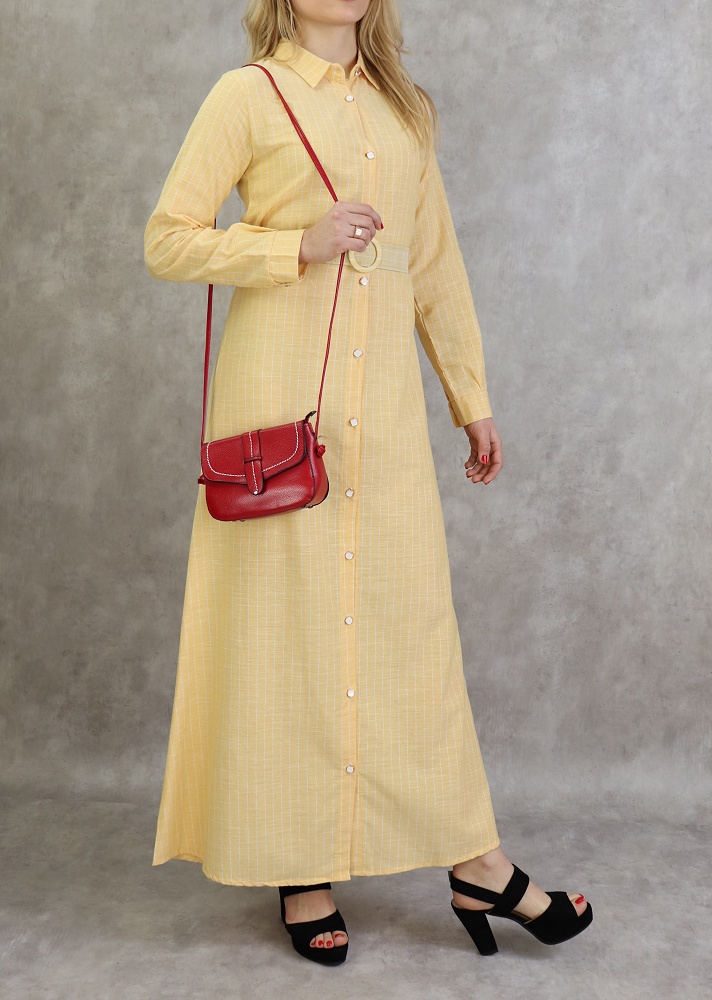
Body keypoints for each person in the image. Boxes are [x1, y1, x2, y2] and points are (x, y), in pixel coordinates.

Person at [144, 0, 593, 965]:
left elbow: (434, 262)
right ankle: (298, 865)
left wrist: (468, 395)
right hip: (277, 405)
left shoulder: (405, 109)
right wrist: (292, 245)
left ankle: (475, 861)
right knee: (284, 632)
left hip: (379, 412)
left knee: (407, 631)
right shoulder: (248, 94)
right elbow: (167, 239)